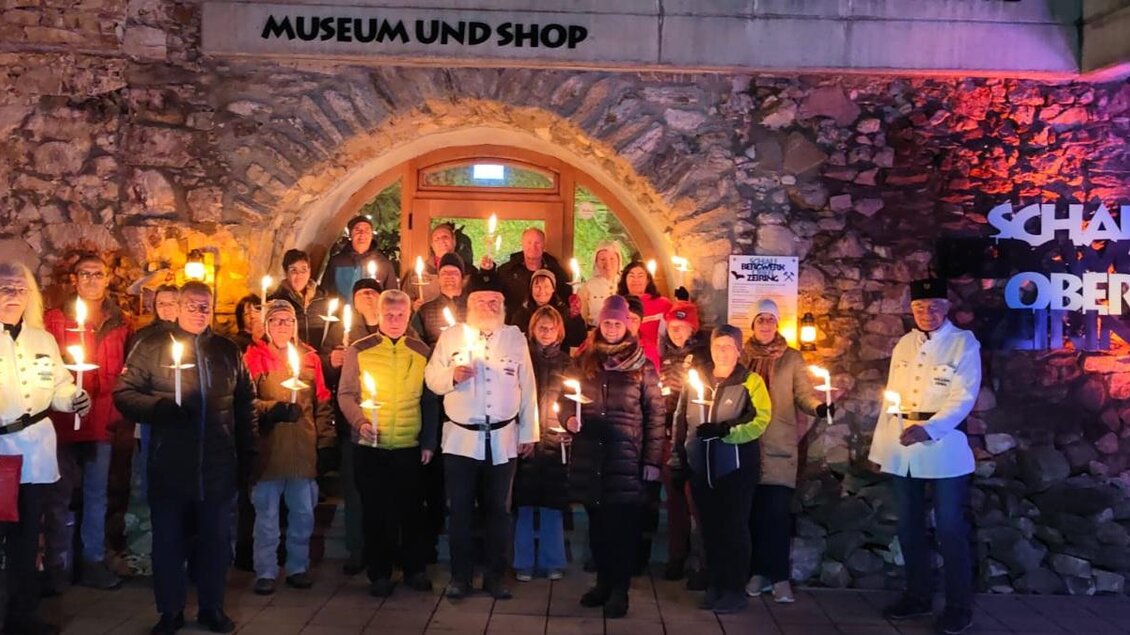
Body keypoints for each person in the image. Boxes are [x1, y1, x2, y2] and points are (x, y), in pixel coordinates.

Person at [114, 281, 256, 635]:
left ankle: (212, 607)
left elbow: (245, 404)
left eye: (205, 306)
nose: (199, 312)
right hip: (170, 463)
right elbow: (125, 394)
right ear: (176, 308)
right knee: (168, 542)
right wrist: (158, 408)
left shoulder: (226, 350)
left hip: (217, 463)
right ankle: (171, 610)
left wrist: (248, 453)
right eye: (192, 305)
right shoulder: (151, 346)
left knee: (214, 542)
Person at [868, 278, 980, 635]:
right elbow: (891, 401)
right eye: (919, 308)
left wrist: (931, 429)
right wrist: (880, 448)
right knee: (909, 525)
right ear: (911, 310)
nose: (927, 314)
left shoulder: (963, 343)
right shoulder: (904, 344)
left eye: (933, 307)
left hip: (943, 445)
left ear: (945, 308)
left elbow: (963, 396)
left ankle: (959, 605)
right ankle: (917, 595)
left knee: (950, 527)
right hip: (902, 445)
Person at [424, 269, 538, 600]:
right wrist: (451, 376)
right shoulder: (452, 337)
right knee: (459, 510)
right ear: (469, 304)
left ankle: (495, 576)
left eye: (494, 301)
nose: (487, 305)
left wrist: (529, 431)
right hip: (461, 440)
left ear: (502, 304)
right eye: (480, 300)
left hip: (503, 440)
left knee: (499, 512)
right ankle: (460, 577)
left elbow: (528, 386)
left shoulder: (515, 337)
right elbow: (432, 378)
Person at [0, 259, 90, 635]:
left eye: (20, 288)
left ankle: (23, 615)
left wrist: (73, 398)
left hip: (34, 454)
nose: (13, 294)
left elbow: (58, 386)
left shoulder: (42, 340)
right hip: (0, 449)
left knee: (25, 540)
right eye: (5, 287)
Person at [563, 296, 664, 619]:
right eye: (607, 323)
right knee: (597, 527)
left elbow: (655, 415)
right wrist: (568, 418)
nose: (611, 328)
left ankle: (620, 590)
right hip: (592, 457)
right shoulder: (584, 361)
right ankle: (603, 584)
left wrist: (651, 460)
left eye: (617, 323)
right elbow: (565, 397)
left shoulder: (642, 366)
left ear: (627, 327)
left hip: (626, 458)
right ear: (599, 325)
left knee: (621, 529)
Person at [338, 289, 438, 597]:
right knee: (375, 512)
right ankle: (379, 572)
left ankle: (414, 569)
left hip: (408, 443)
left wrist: (428, 441)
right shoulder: (360, 350)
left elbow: (430, 400)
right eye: (389, 315)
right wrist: (361, 422)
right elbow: (346, 394)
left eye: (401, 316)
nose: (395, 321)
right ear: (379, 316)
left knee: (411, 512)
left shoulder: (421, 351)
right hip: (371, 446)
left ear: (409, 316)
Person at [41, 254, 132, 592]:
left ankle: (92, 560)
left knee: (97, 495)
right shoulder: (53, 320)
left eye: (98, 274)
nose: (92, 279)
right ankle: (56, 564)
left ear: (107, 279)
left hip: (101, 424)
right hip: (63, 423)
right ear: (74, 280)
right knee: (58, 496)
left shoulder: (120, 323)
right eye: (85, 274)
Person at [739, 298, 831, 603]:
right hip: (747, 445)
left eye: (770, 319)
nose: (765, 324)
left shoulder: (791, 358)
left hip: (778, 447)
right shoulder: (741, 356)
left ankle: (779, 577)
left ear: (778, 324)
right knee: (753, 515)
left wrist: (819, 407)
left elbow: (803, 394)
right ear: (752, 324)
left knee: (776, 514)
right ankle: (757, 573)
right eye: (760, 319)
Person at [244, 300, 335, 595]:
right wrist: (274, 408)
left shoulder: (309, 358)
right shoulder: (254, 357)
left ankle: (298, 566)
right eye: (277, 321)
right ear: (267, 325)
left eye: (288, 321)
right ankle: (266, 570)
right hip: (269, 448)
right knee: (267, 515)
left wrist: (324, 441)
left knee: (303, 513)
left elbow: (321, 401)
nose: (283, 326)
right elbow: (247, 402)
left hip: (302, 446)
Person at [679, 325, 771, 614]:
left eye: (728, 346)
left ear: (739, 349)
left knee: (733, 530)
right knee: (710, 531)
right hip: (701, 468)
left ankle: (734, 589)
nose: (722, 351)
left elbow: (760, 420)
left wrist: (724, 432)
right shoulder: (698, 378)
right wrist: (678, 456)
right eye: (718, 345)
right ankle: (715, 585)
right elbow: (682, 418)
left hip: (735, 470)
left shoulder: (751, 381)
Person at [322, 278, 383, 575]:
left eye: (373, 292)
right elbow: (326, 377)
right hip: (354, 424)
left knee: (388, 490)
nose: (368, 297)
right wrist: (330, 362)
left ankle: (386, 550)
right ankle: (357, 550)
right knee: (355, 490)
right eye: (362, 293)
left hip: (389, 422)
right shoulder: (342, 332)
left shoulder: (395, 326)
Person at [512, 306, 571, 582]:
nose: (546, 332)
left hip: (555, 441)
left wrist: (571, 424)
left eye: (551, 327)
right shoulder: (521, 360)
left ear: (559, 331)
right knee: (523, 503)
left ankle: (552, 560)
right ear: (532, 330)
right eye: (541, 327)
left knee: (552, 504)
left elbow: (573, 400)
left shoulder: (568, 363)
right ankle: (522, 560)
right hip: (526, 440)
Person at [656, 300, 709, 582]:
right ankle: (677, 556)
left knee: (697, 500)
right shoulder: (664, 354)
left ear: (692, 328)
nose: (677, 333)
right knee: (675, 500)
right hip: (668, 434)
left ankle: (702, 562)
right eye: (673, 327)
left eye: (682, 327)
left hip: (694, 437)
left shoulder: (704, 356)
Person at [491, 228, 569, 317]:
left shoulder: (556, 271)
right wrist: (486, 271)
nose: (533, 247)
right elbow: (492, 293)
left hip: (547, 325)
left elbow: (565, 301)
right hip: (513, 325)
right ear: (522, 244)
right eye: (529, 242)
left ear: (544, 245)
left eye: (537, 243)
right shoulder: (506, 270)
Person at [267, 249, 333, 349]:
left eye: (303, 270)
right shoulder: (277, 303)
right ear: (285, 272)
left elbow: (333, 328)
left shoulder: (323, 298)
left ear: (309, 272)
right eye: (293, 270)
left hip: (321, 357)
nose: (299, 275)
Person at [508, 269, 587, 351]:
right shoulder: (522, 313)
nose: (541, 291)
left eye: (546, 286)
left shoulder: (563, 312)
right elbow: (514, 340)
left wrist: (575, 317)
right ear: (531, 289)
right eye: (537, 286)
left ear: (553, 289)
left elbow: (578, 340)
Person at [322, 215, 398, 298]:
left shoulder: (383, 264)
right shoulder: (337, 262)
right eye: (357, 230)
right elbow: (326, 292)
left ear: (371, 235)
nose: (362, 233)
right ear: (350, 235)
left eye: (367, 230)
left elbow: (391, 296)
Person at [403, 223, 475, 309]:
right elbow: (404, 298)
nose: (441, 241)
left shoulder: (470, 271)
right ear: (432, 245)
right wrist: (413, 305)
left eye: (445, 237)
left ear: (454, 241)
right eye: (437, 239)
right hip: (429, 318)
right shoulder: (416, 272)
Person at [617, 261, 671, 370]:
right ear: (624, 280)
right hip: (623, 362)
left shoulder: (663, 304)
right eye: (631, 276)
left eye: (640, 276)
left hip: (654, 363)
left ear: (648, 280)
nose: (635, 280)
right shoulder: (616, 305)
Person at [410, 252, 467, 348]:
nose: (449, 276)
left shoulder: (474, 308)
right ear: (438, 278)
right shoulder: (425, 310)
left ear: (462, 278)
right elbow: (415, 342)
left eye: (454, 273)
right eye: (444, 273)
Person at [577, 240, 622, 328]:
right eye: (602, 259)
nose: (607, 264)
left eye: (612, 259)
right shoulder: (588, 287)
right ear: (596, 262)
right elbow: (581, 321)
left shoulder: (626, 283)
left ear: (618, 261)